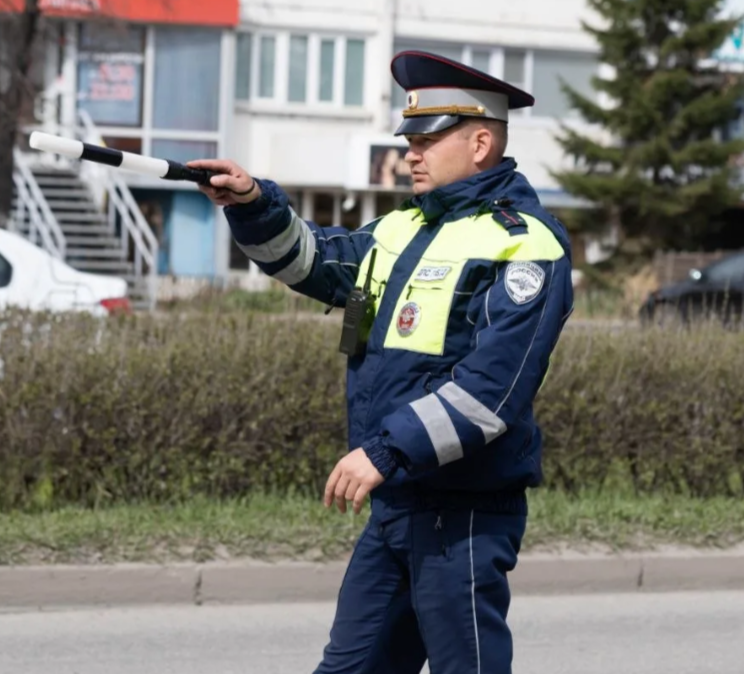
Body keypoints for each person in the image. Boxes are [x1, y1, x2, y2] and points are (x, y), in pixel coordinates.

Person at [191, 50, 574, 674]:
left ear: (480, 142)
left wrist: (385, 450)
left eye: (428, 138)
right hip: (396, 505)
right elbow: (311, 261)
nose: (411, 152)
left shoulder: (524, 243)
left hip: (464, 516)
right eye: (410, 138)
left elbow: (491, 391)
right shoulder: (402, 229)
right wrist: (253, 202)